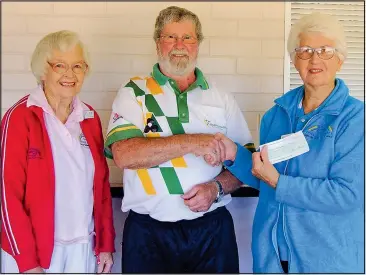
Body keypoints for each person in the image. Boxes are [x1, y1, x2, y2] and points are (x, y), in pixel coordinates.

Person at [104, 6, 254, 273]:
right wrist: (194, 142)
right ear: (157, 42)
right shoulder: (134, 92)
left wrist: (216, 188)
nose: (179, 46)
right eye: (170, 37)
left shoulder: (220, 97)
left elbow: (246, 164)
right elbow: (124, 155)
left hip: (211, 230)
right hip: (148, 233)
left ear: (198, 44)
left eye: (188, 38)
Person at [212, 13, 364, 273]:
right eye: (305, 50)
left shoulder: (355, 119)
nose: (314, 59)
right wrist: (234, 155)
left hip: (327, 260)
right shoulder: (276, 115)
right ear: (294, 60)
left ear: (340, 59)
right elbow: (266, 178)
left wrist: (278, 182)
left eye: (325, 50)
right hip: (271, 256)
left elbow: (346, 195)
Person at [1, 30, 115, 273]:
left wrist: (105, 244)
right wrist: (28, 263)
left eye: (77, 66)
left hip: (83, 248)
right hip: (35, 255)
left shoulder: (90, 118)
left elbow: (102, 187)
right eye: (60, 65)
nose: (69, 74)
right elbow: (7, 195)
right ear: (43, 69)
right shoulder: (20, 116)